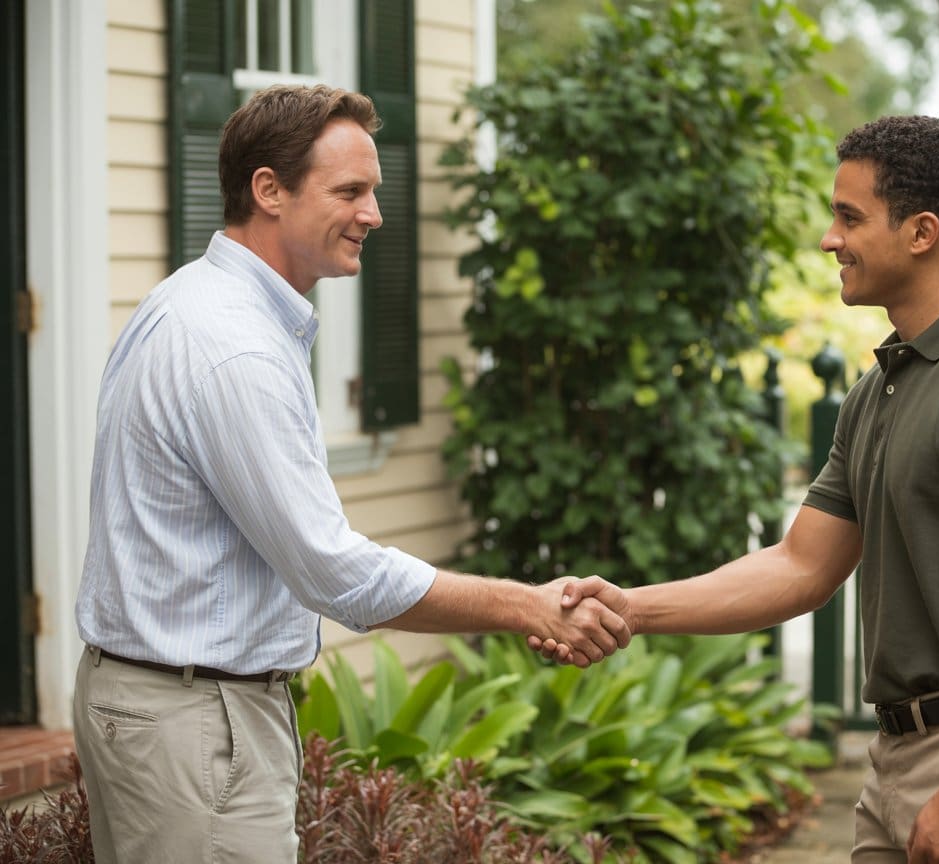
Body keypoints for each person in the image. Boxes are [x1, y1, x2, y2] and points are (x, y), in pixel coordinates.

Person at [72, 84, 630, 863]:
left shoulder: (190, 304)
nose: (373, 213)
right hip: (194, 723)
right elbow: (333, 571)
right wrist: (528, 605)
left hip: (179, 708)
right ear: (268, 190)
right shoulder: (232, 347)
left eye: (374, 190)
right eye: (351, 191)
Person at [541, 115, 939, 863]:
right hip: (899, 755)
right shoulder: (881, 390)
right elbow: (801, 566)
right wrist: (631, 610)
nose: (829, 238)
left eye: (849, 217)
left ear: (922, 232)